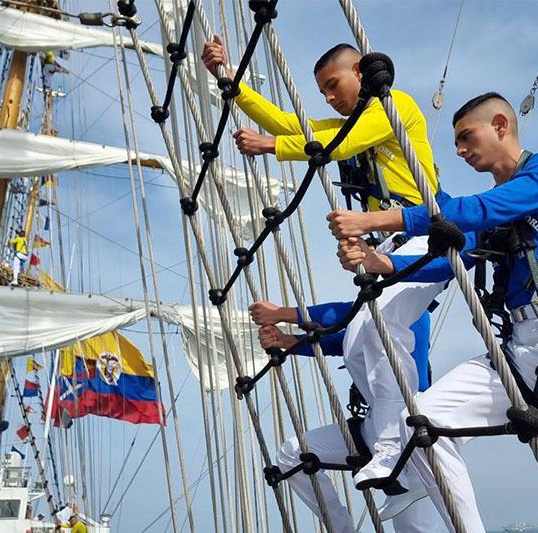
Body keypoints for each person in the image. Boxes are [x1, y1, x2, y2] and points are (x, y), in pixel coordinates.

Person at [331, 92, 538, 532]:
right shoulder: (490, 213)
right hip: (515, 352)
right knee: (421, 422)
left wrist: (378, 221)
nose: (459, 150)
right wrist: (385, 264)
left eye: (466, 137)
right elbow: (453, 253)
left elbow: (478, 210)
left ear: (500, 125)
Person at [202, 37, 454, 498]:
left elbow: (335, 145)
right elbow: (288, 120)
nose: (329, 98)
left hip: (418, 229)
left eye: (333, 85)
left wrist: (272, 146)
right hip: (384, 243)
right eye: (322, 92)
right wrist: (230, 81)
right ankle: (393, 442)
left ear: (359, 71)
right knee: (368, 334)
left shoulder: (391, 106)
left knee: (367, 334)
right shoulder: (353, 118)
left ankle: (397, 441)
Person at [254, 301, 445, 532]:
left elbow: (353, 314)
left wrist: (282, 314)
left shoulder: (413, 305)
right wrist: (288, 341)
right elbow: (345, 339)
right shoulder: (368, 315)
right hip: (375, 426)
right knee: (292, 454)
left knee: (413, 526)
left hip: (413, 431)